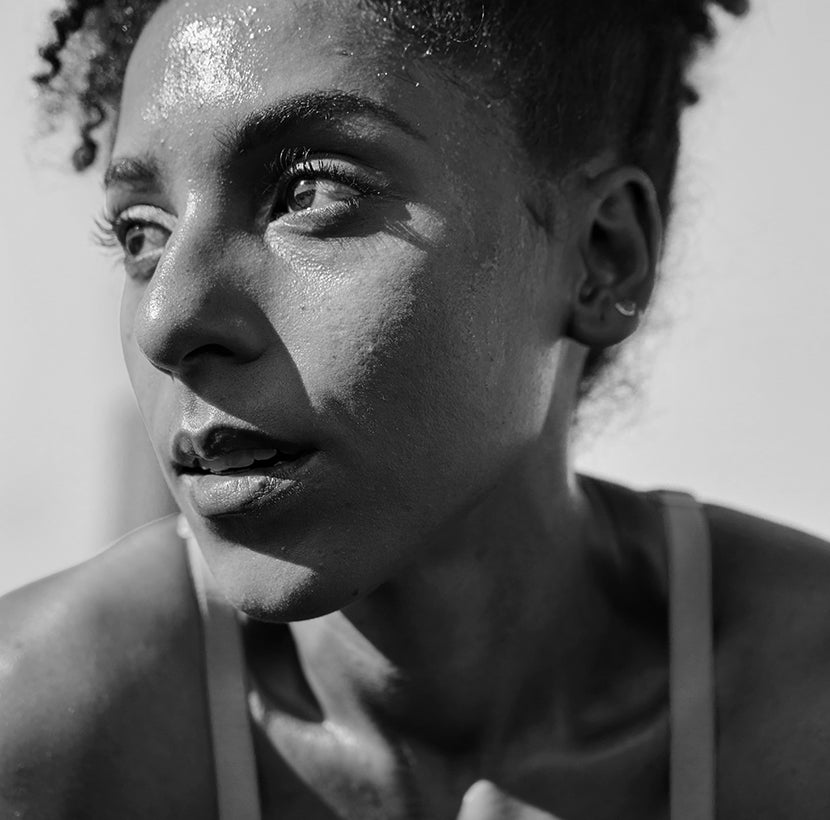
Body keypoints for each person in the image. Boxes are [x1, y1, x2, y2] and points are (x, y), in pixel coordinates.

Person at [2, 0, 830, 818]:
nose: (166, 320)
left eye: (309, 192)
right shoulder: (40, 733)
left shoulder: (803, 709)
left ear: (603, 256)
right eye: (141, 233)